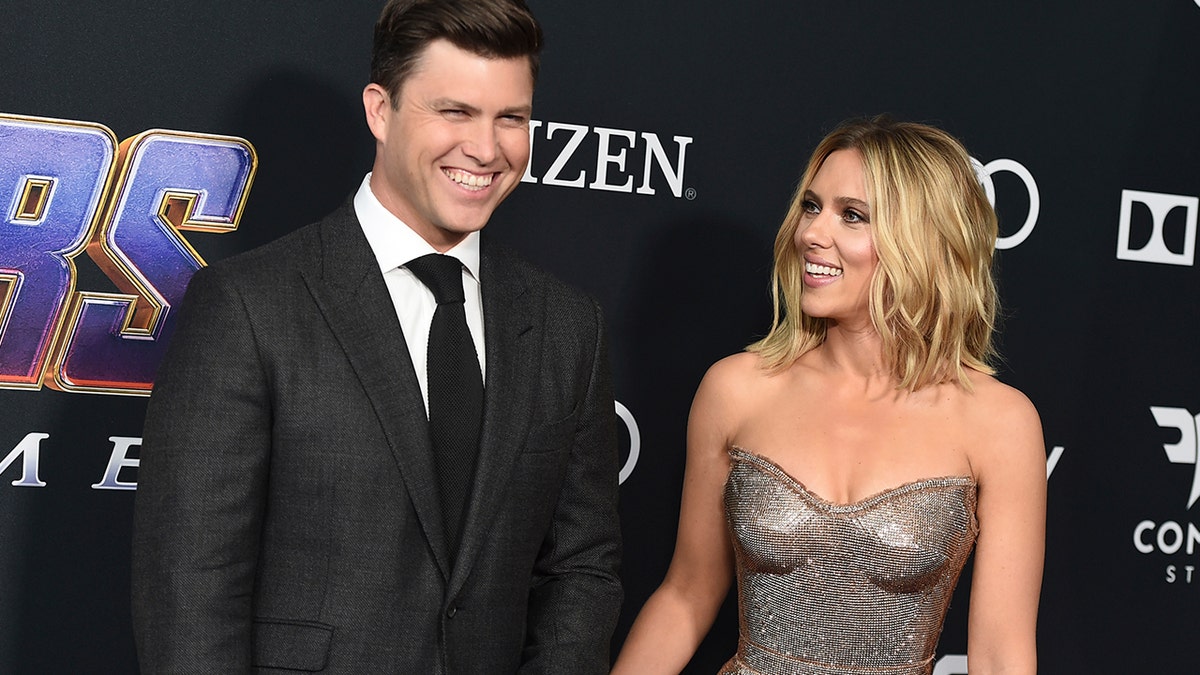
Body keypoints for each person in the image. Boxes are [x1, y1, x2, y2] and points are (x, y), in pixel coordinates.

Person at [131, 1, 622, 672]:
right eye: (454, 112)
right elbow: (190, 586)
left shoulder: (569, 326)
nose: (486, 148)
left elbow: (583, 567)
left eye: (511, 118)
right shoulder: (249, 306)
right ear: (379, 111)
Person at [612, 117, 1045, 675]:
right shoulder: (738, 389)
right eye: (812, 206)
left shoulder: (999, 422)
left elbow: (1000, 656)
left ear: (922, 240)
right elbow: (686, 596)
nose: (812, 233)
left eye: (852, 216)